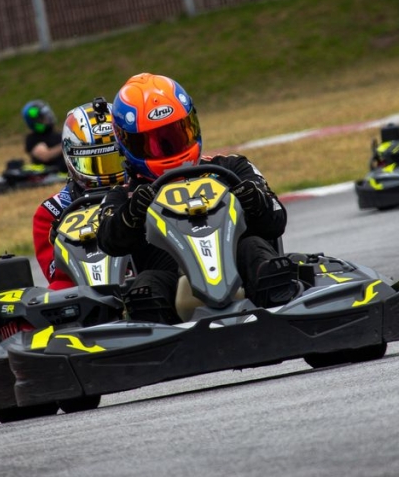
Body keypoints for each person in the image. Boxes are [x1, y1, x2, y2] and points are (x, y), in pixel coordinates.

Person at [96, 72, 298, 323]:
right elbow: (107, 240)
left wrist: (255, 201)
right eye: (155, 143)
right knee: (146, 286)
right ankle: (152, 335)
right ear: (127, 144)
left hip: (245, 278)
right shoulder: (125, 195)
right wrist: (131, 214)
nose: (170, 149)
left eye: (176, 134)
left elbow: (276, 219)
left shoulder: (232, 169)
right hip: (171, 294)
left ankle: (282, 304)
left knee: (253, 249)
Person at [32, 98, 126, 289]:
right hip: (84, 292)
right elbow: (57, 277)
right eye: (94, 163)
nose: (107, 173)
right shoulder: (52, 211)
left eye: (114, 160)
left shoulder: (142, 189)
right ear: (71, 159)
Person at [21, 99, 65, 170]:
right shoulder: (32, 139)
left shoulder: (57, 134)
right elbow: (45, 156)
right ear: (36, 121)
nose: (48, 118)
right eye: (44, 117)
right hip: (51, 171)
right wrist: (66, 146)